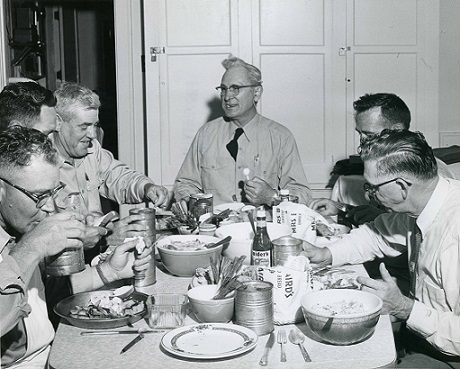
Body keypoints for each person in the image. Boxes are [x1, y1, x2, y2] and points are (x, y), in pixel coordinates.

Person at [305, 129, 460, 368]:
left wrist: (404, 308)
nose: (369, 197)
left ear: (401, 186)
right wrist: (327, 254)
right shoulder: (424, 204)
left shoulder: (454, 234)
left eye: (372, 188)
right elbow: (376, 234)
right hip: (422, 336)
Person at [0, 126, 151, 368]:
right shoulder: (25, 241)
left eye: (54, 192)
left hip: (52, 355)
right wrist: (32, 247)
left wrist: (110, 271)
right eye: (39, 196)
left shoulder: (19, 228)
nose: (50, 207)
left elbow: (46, 296)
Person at [173, 55, 312, 209]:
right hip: (215, 229)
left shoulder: (281, 137)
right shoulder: (205, 134)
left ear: (256, 93)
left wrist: (272, 197)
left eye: (235, 88)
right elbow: (185, 183)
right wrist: (191, 201)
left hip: (263, 228)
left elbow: (301, 193)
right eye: (224, 89)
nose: (227, 96)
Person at [310, 92, 455, 224]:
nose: (362, 142)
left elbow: (418, 232)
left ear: (397, 130)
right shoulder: (379, 164)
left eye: (370, 135)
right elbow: (380, 216)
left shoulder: (430, 172)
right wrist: (341, 208)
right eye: (360, 134)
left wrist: (378, 218)